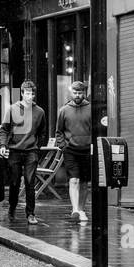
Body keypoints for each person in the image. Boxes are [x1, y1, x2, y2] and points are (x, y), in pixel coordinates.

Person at [0, 80, 47, 225]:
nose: (30, 96)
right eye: (27, 93)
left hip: (31, 151)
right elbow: (4, 129)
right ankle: (12, 208)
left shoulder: (40, 112)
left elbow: (42, 132)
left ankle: (30, 214)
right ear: (21, 93)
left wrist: (38, 147)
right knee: (14, 182)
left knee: (30, 182)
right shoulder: (12, 109)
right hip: (14, 151)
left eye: (32, 94)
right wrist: (3, 145)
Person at [54, 81, 93, 224]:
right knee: (74, 179)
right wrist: (63, 146)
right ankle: (75, 209)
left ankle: (81, 210)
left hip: (87, 149)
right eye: (75, 93)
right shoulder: (64, 110)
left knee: (84, 182)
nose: (77, 95)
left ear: (84, 93)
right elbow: (59, 131)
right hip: (70, 150)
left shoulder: (91, 108)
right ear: (71, 93)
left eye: (80, 93)